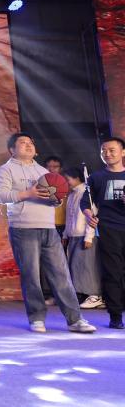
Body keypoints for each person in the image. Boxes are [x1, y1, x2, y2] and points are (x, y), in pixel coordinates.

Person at [0, 132, 95, 333]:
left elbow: (55, 198)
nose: (28, 145)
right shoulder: (5, 170)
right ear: (12, 149)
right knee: (31, 276)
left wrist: (56, 199)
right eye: (22, 143)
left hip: (49, 229)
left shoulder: (43, 171)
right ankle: (37, 318)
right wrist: (28, 193)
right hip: (23, 228)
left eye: (30, 143)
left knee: (62, 275)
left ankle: (75, 320)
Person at [81, 137, 125, 329]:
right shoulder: (96, 177)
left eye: (112, 150)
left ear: (123, 152)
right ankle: (115, 316)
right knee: (112, 273)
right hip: (109, 230)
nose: (107, 153)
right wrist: (89, 215)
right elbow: (86, 202)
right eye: (103, 151)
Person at [63, 167, 102, 309]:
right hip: (73, 235)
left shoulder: (87, 193)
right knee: (76, 267)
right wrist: (65, 234)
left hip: (84, 236)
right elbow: (69, 216)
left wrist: (89, 237)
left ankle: (95, 295)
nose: (66, 182)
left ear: (76, 178)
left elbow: (92, 216)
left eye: (67, 179)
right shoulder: (72, 194)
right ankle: (82, 294)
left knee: (88, 267)